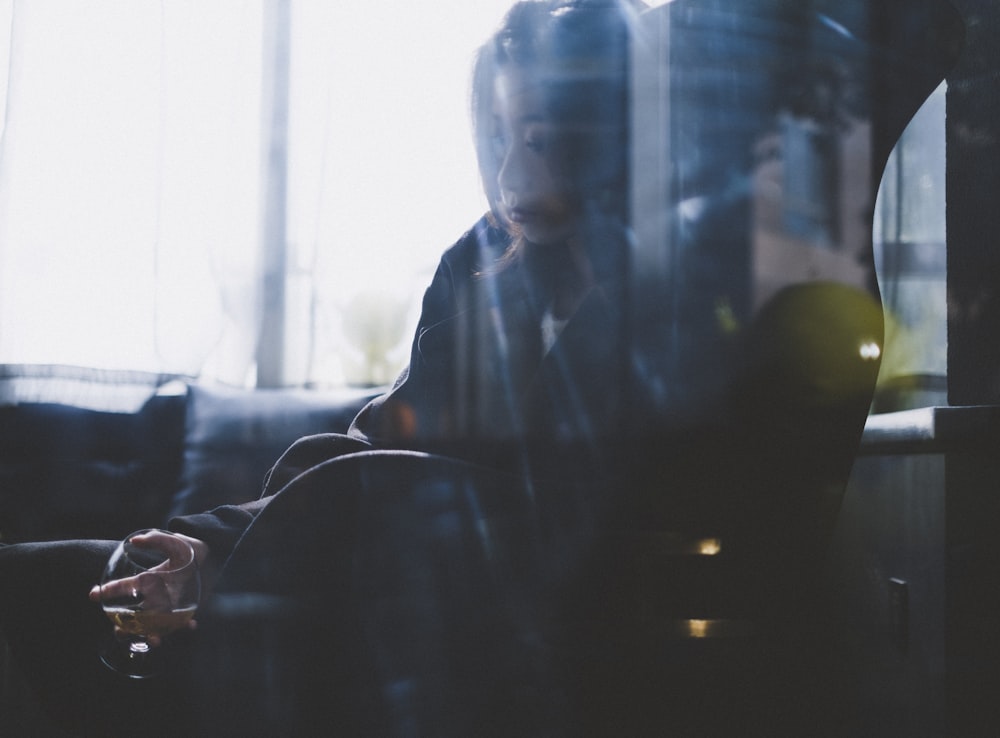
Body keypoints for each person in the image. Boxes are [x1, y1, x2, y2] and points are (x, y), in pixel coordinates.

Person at [1, 1, 640, 735]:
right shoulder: (480, 263)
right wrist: (209, 544)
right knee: (42, 579)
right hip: (367, 589)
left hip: (493, 633)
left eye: (539, 139)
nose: (506, 174)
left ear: (613, 134)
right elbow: (379, 443)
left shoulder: (670, 296)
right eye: (496, 134)